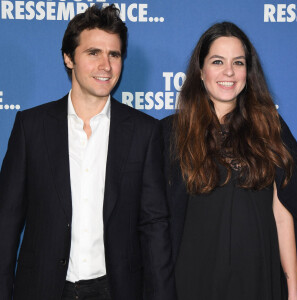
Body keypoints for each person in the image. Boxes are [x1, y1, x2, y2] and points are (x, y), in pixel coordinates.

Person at [0, 4, 176, 300]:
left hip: (115, 290)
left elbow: (154, 226)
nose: (105, 65)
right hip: (42, 289)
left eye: (114, 54)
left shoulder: (144, 132)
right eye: (93, 53)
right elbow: (6, 223)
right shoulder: (31, 127)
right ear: (69, 58)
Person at [162, 22, 297, 300]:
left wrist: (294, 290)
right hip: (194, 280)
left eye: (238, 62)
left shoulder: (271, 128)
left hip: (258, 277)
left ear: (248, 72)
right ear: (201, 72)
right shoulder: (170, 133)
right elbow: (158, 222)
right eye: (217, 61)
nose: (229, 71)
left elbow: (283, 215)